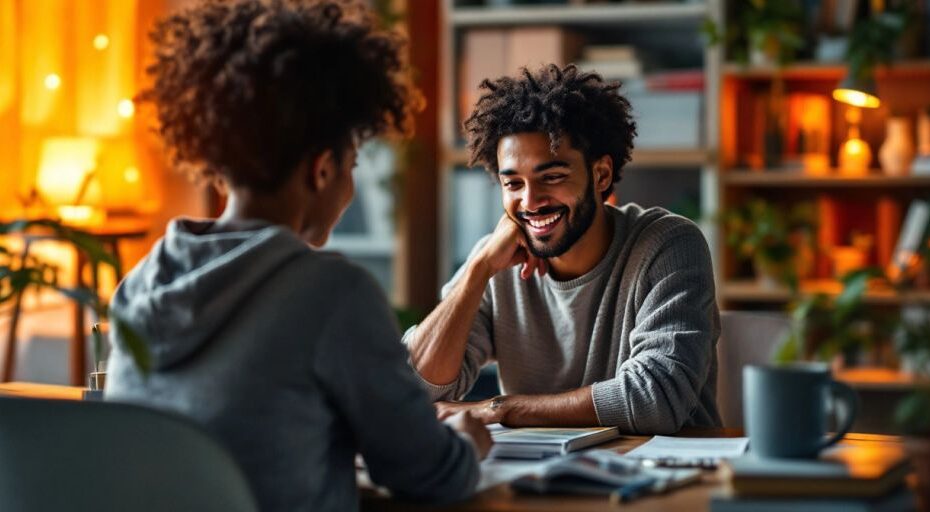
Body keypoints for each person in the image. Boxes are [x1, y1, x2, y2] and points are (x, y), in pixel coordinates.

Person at [104, 1, 490, 511]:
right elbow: (429, 474)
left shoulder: (140, 282)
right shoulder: (331, 293)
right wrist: (467, 440)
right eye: (352, 163)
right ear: (322, 169)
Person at [404, 64, 721, 434]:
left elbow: (656, 399)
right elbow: (412, 389)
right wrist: (477, 271)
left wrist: (502, 409)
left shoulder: (668, 245)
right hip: (541, 478)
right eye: (513, 184)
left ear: (600, 175)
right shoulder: (494, 263)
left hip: (666, 477)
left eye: (552, 177)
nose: (531, 201)